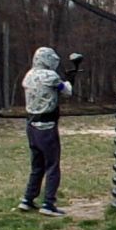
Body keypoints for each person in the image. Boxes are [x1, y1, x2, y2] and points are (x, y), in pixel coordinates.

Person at [18, 46, 76, 216]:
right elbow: (67, 92)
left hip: (31, 126)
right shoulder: (50, 76)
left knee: (37, 165)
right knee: (52, 165)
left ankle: (27, 199)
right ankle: (48, 204)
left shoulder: (29, 75)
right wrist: (69, 80)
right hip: (47, 127)